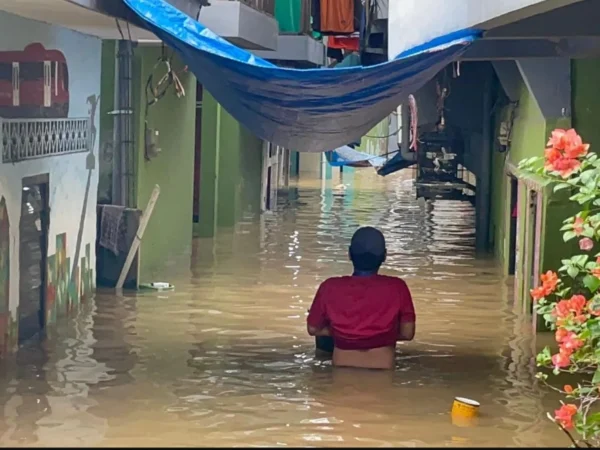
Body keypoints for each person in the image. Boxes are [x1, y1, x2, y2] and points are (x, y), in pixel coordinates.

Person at [306, 226, 416, 370]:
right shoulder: (397, 287)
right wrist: (379, 334)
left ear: (350, 254)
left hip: (341, 369)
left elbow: (313, 329)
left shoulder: (329, 287)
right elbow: (407, 333)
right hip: (383, 370)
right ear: (384, 256)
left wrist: (340, 331)